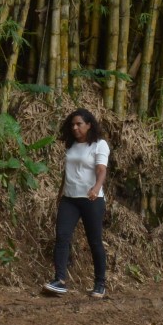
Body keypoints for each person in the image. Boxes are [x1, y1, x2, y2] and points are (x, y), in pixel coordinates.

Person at [42, 108, 111, 298]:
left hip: (92, 199)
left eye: (79, 124)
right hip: (70, 198)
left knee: (94, 241)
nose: (75, 128)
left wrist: (96, 187)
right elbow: (67, 172)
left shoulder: (99, 144)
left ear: (89, 125)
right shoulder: (71, 145)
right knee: (62, 236)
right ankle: (59, 280)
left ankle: (100, 283)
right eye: (72, 124)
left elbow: (101, 169)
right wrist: (60, 194)